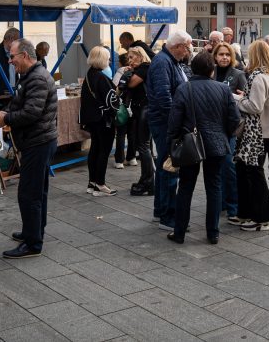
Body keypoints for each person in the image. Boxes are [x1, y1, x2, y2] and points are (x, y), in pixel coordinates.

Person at [0, 39, 59, 258]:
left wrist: (7, 118)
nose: (10, 61)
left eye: (12, 56)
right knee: (36, 191)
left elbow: (32, 112)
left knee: (29, 193)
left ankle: (32, 243)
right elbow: (19, 103)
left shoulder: (37, 78)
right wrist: (3, 114)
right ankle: (34, 231)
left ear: (25, 55)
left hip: (38, 142)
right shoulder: (30, 76)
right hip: (36, 140)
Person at [166, 51, 241, 244]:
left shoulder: (184, 88)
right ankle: (213, 232)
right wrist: (224, 133)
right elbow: (234, 119)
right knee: (214, 186)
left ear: (192, 69)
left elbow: (174, 121)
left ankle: (180, 232)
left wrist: (172, 142)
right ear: (212, 70)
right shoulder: (223, 89)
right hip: (217, 143)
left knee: (185, 187)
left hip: (191, 143)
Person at [147, 30, 193, 231]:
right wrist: (175, 125)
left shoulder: (169, 61)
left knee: (165, 165)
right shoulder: (163, 62)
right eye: (188, 46)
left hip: (166, 122)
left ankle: (161, 211)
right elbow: (163, 97)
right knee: (169, 167)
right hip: (165, 124)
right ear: (178, 46)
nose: (189, 51)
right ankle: (168, 216)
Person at [233, 40, 269, 231]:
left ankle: (261, 218)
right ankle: (246, 213)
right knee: (246, 171)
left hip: (256, 133)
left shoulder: (258, 77)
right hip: (265, 131)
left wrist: (237, 99)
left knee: (255, 174)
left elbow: (255, 106)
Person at [213, 43, 247, 221]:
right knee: (216, 168)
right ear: (215, 56)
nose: (224, 57)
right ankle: (221, 203)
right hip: (212, 128)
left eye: (227, 54)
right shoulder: (210, 73)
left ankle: (234, 206)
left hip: (230, 128)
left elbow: (244, 99)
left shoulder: (238, 74)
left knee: (229, 166)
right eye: (221, 54)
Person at [81, 45, 118, 197]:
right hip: (103, 119)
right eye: (108, 58)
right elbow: (112, 100)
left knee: (95, 149)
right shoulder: (102, 77)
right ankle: (100, 185)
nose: (109, 60)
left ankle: (92, 182)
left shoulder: (89, 74)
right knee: (104, 150)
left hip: (91, 119)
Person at [120, 47, 154, 195]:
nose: (130, 60)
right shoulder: (141, 68)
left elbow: (131, 84)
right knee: (143, 146)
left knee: (143, 146)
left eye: (133, 57)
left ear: (141, 56)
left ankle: (148, 181)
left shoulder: (145, 67)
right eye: (129, 58)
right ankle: (147, 180)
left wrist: (128, 73)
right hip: (141, 110)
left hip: (145, 110)